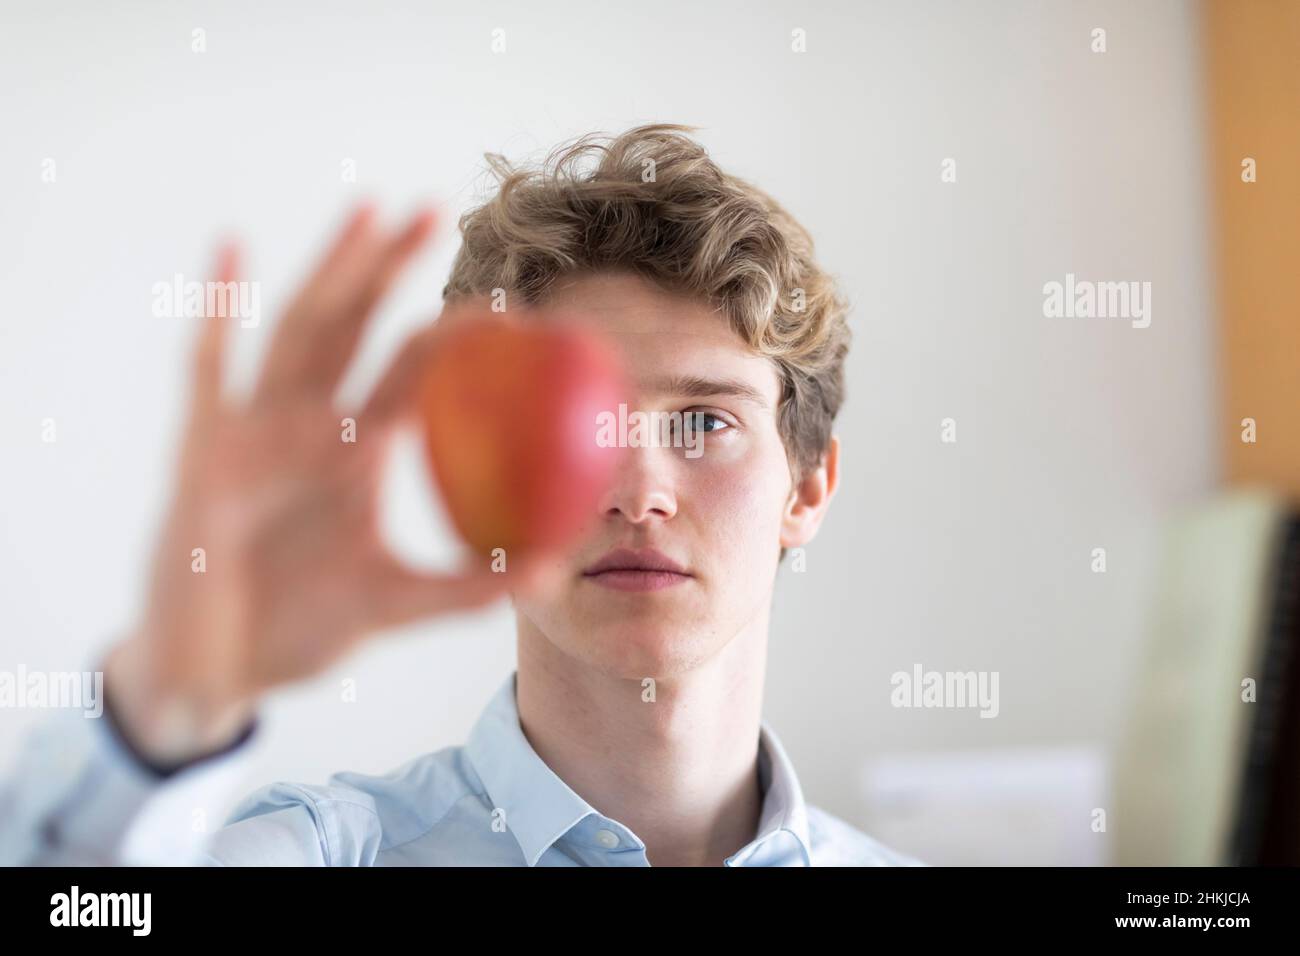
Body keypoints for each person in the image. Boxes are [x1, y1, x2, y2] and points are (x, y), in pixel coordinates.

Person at [0, 125, 920, 867]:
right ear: (462, 471)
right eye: (582, 425)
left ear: (808, 486)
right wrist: (172, 700)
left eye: (705, 423)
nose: (640, 493)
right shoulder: (325, 856)